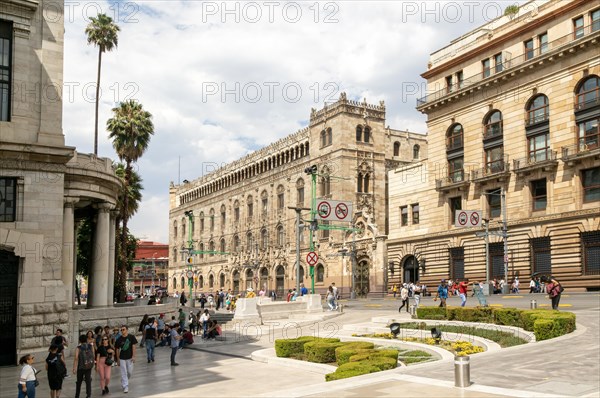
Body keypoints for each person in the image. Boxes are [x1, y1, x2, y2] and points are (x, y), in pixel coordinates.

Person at [115, 325, 138, 394]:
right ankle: (125, 386)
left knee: (129, 372)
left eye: (123, 329)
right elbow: (117, 349)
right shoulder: (119, 339)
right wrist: (118, 359)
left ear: (127, 330)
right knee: (123, 372)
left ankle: (123, 380)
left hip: (130, 357)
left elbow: (134, 346)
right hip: (122, 358)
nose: (122, 331)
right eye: (121, 330)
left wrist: (134, 356)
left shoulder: (131, 337)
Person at [73, 334, 94, 398]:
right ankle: (88, 395)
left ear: (80, 340)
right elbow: (93, 355)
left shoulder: (78, 348)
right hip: (88, 366)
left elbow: (76, 358)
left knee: (79, 382)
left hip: (80, 367)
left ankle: (77, 395)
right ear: (86, 339)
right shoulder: (91, 346)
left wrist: (74, 368)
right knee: (88, 381)